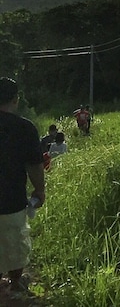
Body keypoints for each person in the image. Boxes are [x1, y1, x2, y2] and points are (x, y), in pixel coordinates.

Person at [0, 77, 46, 294]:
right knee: (15, 240)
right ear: (15, 99)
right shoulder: (25, 128)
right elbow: (34, 165)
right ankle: (14, 282)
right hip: (12, 199)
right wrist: (40, 190)